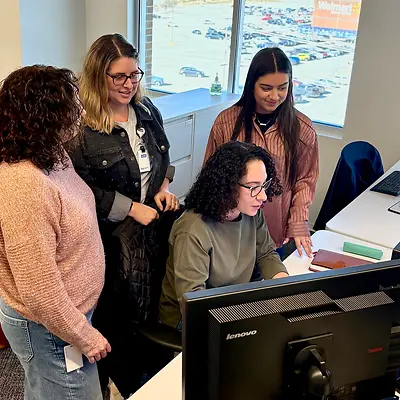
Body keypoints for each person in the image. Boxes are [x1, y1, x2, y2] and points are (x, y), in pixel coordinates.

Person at [68, 34, 180, 398]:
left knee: (146, 315)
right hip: (106, 243)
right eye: (119, 77)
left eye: (134, 75)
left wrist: (163, 187)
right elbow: (76, 189)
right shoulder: (81, 127)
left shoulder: (147, 112)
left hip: (149, 237)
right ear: (98, 76)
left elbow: (164, 161)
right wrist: (130, 207)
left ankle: (141, 385)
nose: (129, 85)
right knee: (111, 324)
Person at [0, 65, 110, 399]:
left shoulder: (51, 153)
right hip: (49, 328)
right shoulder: (24, 184)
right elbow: (39, 292)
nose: (81, 111)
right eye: (71, 105)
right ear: (45, 116)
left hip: (64, 318)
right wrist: (84, 335)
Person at [159, 141, 289, 329]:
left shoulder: (251, 212)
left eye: (264, 185)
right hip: (190, 316)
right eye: (253, 187)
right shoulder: (193, 230)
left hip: (233, 303)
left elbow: (266, 253)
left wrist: (284, 286)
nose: (262, 196)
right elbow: (194, 301)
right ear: (227, 185)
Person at [204, 47, 319, 258]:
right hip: (230, 230)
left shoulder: (302, 128)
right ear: (251, 85)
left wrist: (299, 221)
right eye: (266, 88)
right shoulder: (227, 123)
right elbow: (210, 176)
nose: (275, 96)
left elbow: (305, 180)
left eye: (282, 88)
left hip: (275, 231)